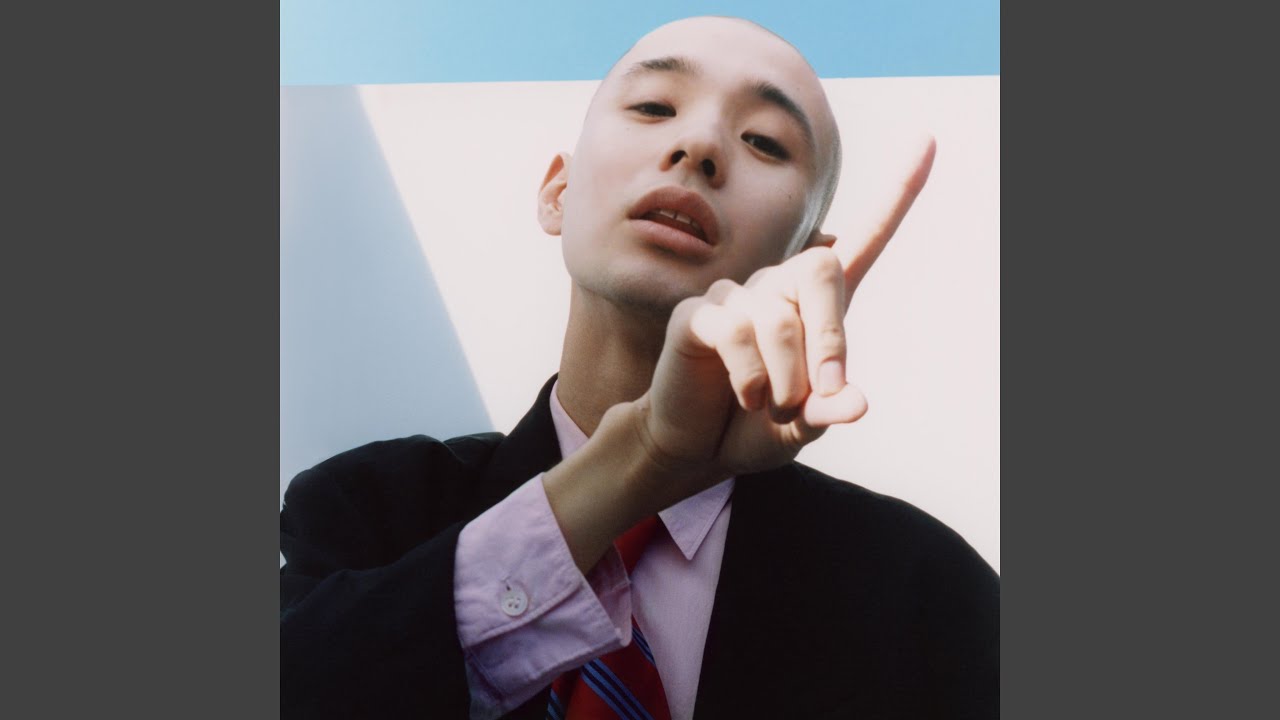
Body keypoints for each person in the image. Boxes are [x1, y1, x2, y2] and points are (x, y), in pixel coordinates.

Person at [281, 15, 998, 720]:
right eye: (654, 107)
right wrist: (639, 461)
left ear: (809, 261)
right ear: (558, 193)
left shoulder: (929, 593)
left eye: (764, 141)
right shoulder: (366, 509)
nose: (699, 144)